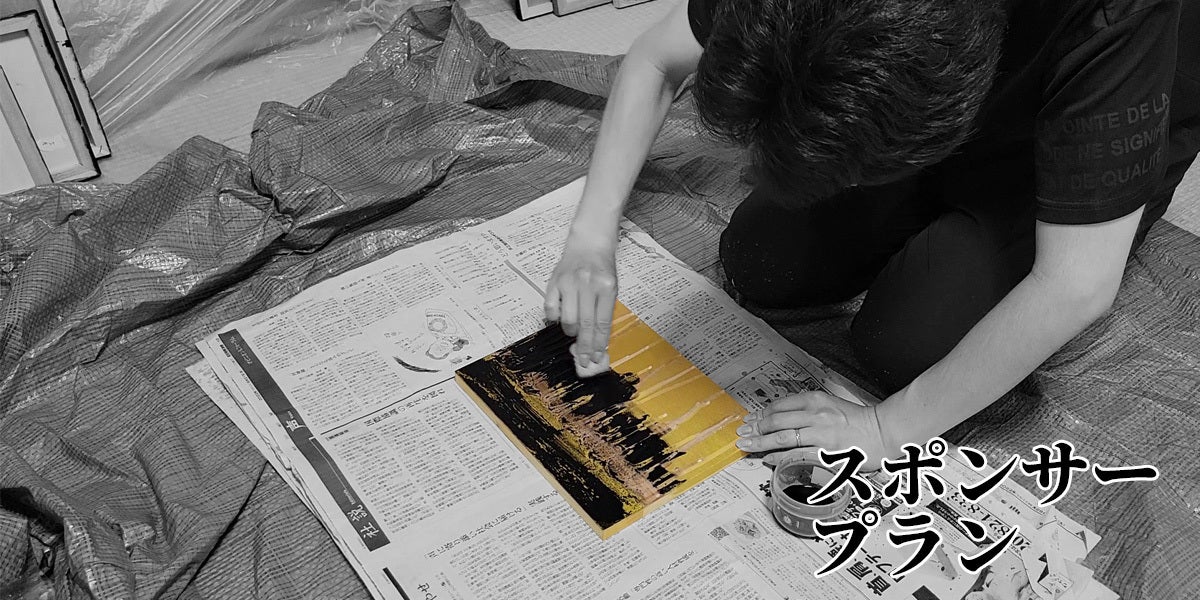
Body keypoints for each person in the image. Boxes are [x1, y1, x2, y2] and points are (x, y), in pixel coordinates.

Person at [543, 0, 1198, 469]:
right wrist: (591, 237)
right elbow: (656, 59)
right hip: (922, 83)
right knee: (762, 259)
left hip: (1067, 142)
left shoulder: (1116, 15)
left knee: (908, 345)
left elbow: (1078, 282)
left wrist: (886, 430)